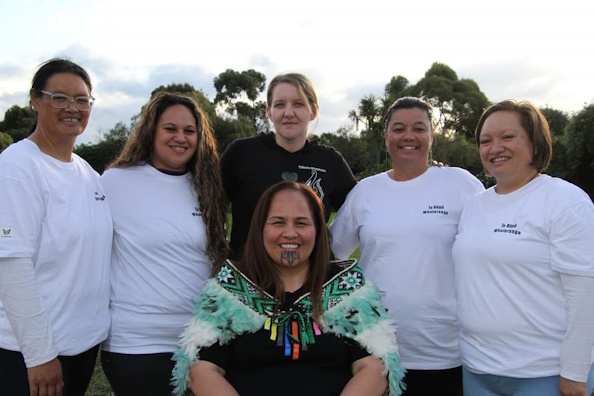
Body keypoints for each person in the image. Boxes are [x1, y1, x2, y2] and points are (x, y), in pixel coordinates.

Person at [171, 181, 405, 396]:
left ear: (317, 230)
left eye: (301, 223)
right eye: (278, 222)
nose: (290, 233)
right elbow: (201, 369)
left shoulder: (348, 288)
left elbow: (374, 367)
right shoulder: (230, 288)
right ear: (260, 228)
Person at [329, 97, 484, 395]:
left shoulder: (460, 183)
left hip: (446, 352)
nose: (408, 136)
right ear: (385, 135)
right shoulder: (366, 192)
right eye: (398, 129)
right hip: (375, 351)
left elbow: (492, 247)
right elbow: (332, 254)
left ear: (432, 135)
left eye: (419, 128)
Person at [452, 100, 594, 396]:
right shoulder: (474, 205)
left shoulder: (566, 201)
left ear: (535, 142)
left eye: (507, 137)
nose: (495, 148)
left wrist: (575, 373)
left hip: (545, 373)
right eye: (485, 141)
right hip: (478, 369)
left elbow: (585, 296)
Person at [99, 92, 228, 395]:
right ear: (151, 132)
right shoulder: (116, 182)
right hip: (137, 344)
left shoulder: (206, 188)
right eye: (170, 129)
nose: (180, 138)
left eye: (189, 131)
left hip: (200, 342)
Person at [0, 58, 113, 396]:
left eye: (81, 99)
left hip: (80, 346)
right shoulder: (17, 168)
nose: (72, 108)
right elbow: (11, 264)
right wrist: (39, 355)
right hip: (30, 354)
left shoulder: (88, 174)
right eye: (59, 97)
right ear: (35, 99)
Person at [221, 73, 356, 258]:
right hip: (247, 280)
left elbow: (357, 213)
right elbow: (209, 207)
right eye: (280, 105)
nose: (289, 112)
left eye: (298, 104)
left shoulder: (330, 161)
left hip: (310, 282)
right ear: (269, 112)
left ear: (313, 111)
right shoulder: (242, 153)